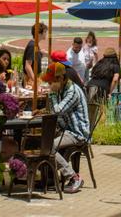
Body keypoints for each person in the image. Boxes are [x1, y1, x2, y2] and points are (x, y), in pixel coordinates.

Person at [42, 62, 90, 194]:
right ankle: (49, 178)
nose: (49, 85)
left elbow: (57, 111)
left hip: (77, 133)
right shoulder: (61, 89)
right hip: (66, 130)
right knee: (39, 141)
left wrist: (51, 95)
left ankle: (73, 177)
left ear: (61, 78)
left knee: (48, 147)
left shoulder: (72, 91)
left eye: (51, 82)